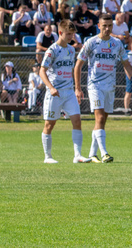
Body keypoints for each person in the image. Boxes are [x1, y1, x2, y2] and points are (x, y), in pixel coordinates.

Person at [75, 14, 132, 163]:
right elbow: (78, 66)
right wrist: (78, 88)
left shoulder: (117, 44)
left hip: (110, 86)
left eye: (109, 26)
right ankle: (104, 153)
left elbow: (126, 64)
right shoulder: (91, 42)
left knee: (101, 121)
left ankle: (92, 154)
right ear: (99, 26)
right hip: (95, 85)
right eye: (104, 25)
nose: (107, 28)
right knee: (100, 118)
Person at [40, 21, 91, 163]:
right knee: (49, 125)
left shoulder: (71, 49)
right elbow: (42, 71)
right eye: (68, 34)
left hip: (68, 92)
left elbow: (73, 69)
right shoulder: (52, 50)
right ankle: (48, 157)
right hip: (54, 93)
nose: (71, 37)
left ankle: (77, 155)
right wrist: (50, 87)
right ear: (61, 33)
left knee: (77, 121)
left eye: (73, 34)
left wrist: (77, 88)